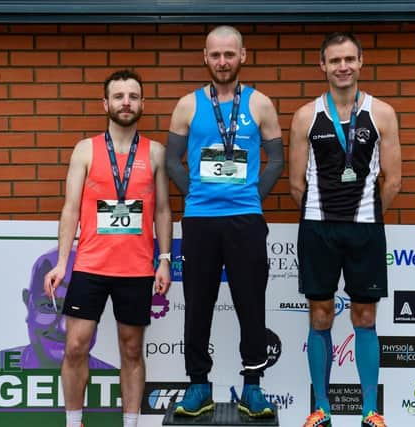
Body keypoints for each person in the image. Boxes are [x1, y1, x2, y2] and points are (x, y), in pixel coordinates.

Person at [166, 25, 285, 418]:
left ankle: (252, 387)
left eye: (229, 54)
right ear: (205, 57)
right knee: (198, 304)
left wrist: (251, 197)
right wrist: (195, 194)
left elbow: (277, 160)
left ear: (242, 56)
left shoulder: (261, 104)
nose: (222, 62)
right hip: (200, 221)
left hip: (246, 221)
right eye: (215, 55)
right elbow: (172, 160)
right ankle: (198, 385)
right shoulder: (187, 105)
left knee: (250, 304)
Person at [44, 69, 172, 427]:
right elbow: (70, 209)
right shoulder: (85, 149)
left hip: (135, 268)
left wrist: (163, 260)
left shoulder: (156, 152)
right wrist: (61, 263)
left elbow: (163, 210)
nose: (126, 103)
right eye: (119, 97)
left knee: (131, 350)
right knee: (75, 346)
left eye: (132, 96)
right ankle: (73, 422)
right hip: (90, 267)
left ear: (142, 103)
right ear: (106, 103)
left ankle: (129, 423)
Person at [288, 32, 401, 427]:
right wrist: (324, 214)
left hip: (365, 231)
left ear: (361, 62)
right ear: (322, 65)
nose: (342, 67)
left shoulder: (382, 113)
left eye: (349, 59)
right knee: (320, 315)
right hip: (318, 228)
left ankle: (371, 411)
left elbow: (393, 180)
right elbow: (296, 184)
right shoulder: (306, 116)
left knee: (365, 316)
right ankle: (322, 409)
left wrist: (366, 215)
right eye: (334, 60)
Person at [1, 247, 114, 369]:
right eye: (49, 306)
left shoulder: (111, 381)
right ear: (28, 302)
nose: (63, 328)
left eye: (80, 309)